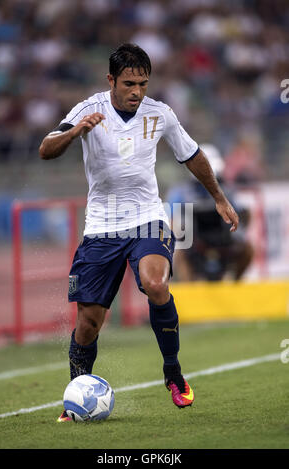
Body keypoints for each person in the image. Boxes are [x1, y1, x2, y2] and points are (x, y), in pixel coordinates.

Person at [39, 43, 239, 422]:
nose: (137, 92)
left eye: (143, 84)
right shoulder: (87, 110)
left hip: (147, 219)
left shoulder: (159, 113)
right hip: (101, 227)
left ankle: (173, 373)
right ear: (111, 80)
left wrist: (220, 198)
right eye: (129, 83)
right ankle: (76, 394)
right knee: (89, 322)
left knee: (156, 284)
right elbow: (46, 149)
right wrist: (75, 131)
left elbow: (191, 154)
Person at [167, 144, 253, 282]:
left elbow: (241, 214)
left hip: (224, 241)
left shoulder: (228, 190)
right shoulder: (180, 193)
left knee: (248, 250)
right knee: (180, 254)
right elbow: (169, 222)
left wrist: (239, 234)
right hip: (194, 244)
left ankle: (234, 287)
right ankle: (189, 295)